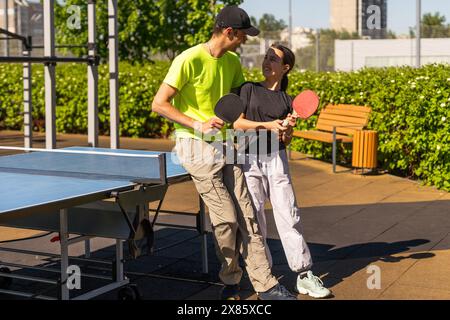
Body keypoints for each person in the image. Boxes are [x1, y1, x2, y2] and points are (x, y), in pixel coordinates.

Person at [152, 6, 296, 300]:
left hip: (226, 142)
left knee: (248, 216)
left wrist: (276, 123)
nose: (245, 41)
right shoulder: (188, 59)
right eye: (243, 36)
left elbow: (240, 107)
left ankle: (265, 284)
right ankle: (230, 277)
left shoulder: (231, 62)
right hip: (193, 143)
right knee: (227, 219)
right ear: (229, 33)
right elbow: (159, 104)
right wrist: (197, 123)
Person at [234, 44, 332, 299]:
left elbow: (285, 140)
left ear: (285, 67)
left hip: (276, 159)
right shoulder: (248, 89)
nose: (267, 62)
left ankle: (304, 275)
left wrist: (287, 130)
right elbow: (237, 123)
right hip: (248, 159)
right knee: (254, 220)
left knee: (289, 215)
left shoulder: (287, 100)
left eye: (273, 59)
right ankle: (264, 274)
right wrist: (267, 125)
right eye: (266, 57)